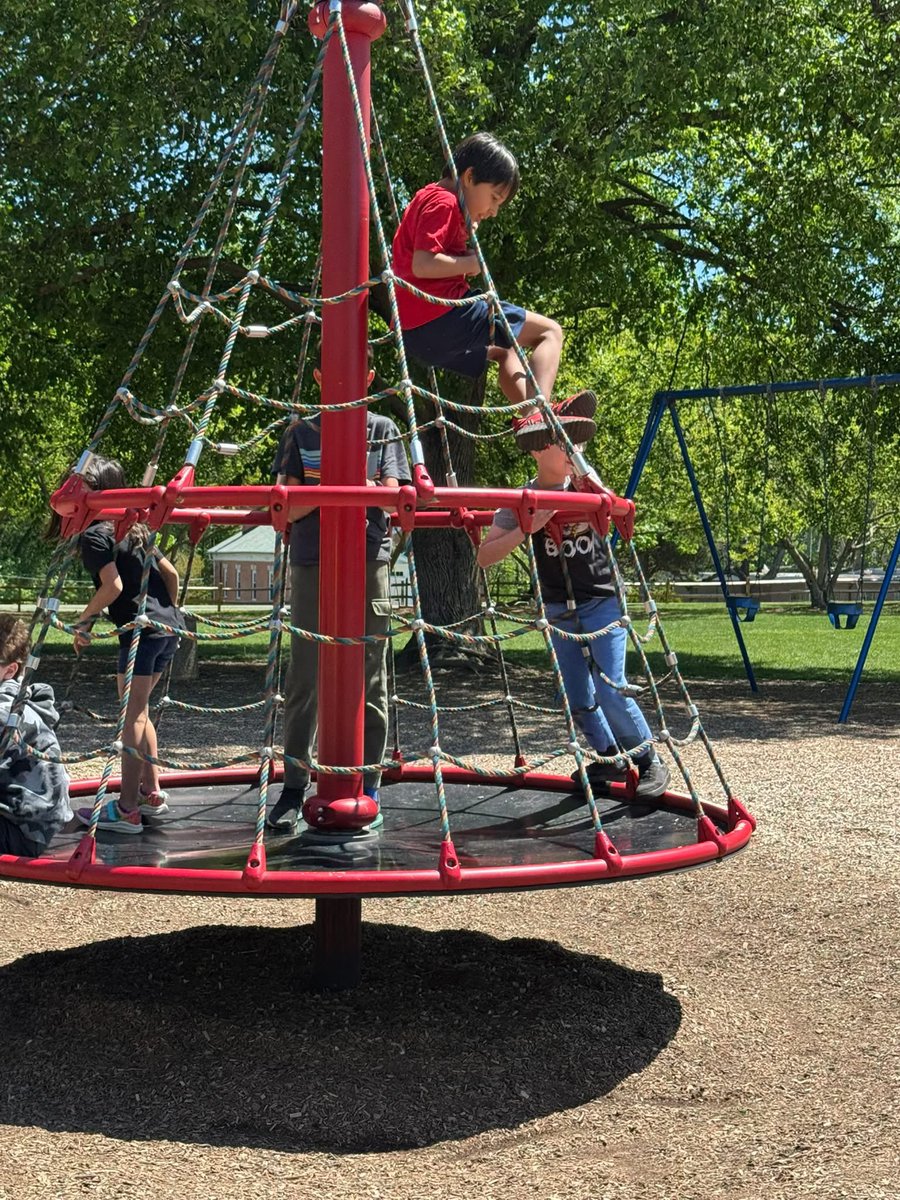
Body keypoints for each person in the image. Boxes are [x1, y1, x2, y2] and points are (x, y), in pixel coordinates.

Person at [476, 419, 671, 798]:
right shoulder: (522, 500)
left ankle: (648, 760)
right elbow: (485, 556)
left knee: (610, 686)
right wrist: (528, 528)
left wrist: (583, 467)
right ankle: (608, 757)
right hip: (557, 605)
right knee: (577, 694)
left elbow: (614, 509)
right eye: (557, 442)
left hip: (601, 600)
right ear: (535, 451)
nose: (569, 449)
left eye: (572, 443)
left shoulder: (584, 484)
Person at [269, 344, 411, 832]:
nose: (344, 383)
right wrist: (345, 493)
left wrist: (321, 493)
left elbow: (392, 499)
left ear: (369, 375)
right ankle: (293, 784)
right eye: (332, 374)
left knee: (371, 668)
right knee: (305, 671)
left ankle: (367, 784)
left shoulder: (382, 430)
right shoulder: (301, 433)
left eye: (353, 372)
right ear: (317, 376)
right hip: (313, 561)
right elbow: (285, 509)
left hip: (368, 560)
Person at [391, 130, 596, 439]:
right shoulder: (443, 201)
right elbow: (423, 264)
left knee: (504, 351)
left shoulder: (432, 200)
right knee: (549, 332)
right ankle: (539, 413)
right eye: (495, 198)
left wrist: (463, 245)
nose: (494, 210)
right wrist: (471, 262)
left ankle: (531, 416)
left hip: (418, 333)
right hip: (441, 318)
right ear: (470, 177)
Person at [49, 455, 184, 833]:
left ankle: (126, 809)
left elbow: (114, 587)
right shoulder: (133, 528)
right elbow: (170, 572)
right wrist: (168, 612)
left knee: (133, 714)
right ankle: (150, 791)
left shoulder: (94, 534)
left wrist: (85, 620)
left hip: (142, 632)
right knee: (140, 708)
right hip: (169, 629)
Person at [0, 614, 72, 856]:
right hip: (32, 823)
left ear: (10, 670)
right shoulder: (18, 698)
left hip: (23, 832)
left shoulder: (7, 712)